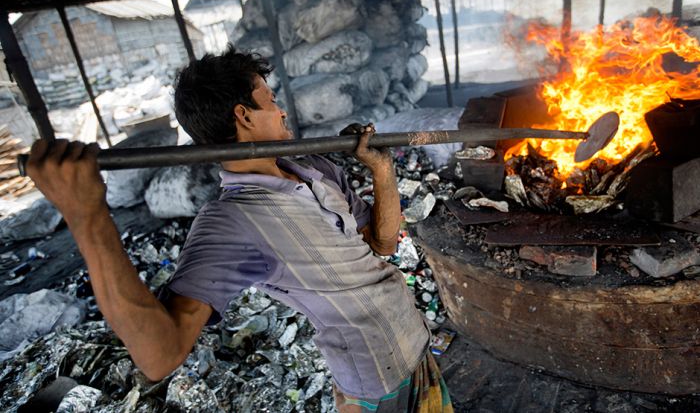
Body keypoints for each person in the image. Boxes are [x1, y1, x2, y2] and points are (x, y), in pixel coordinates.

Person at [26, 45, 453, 412]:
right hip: (376, 385)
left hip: (418, 347)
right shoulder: (232, 222)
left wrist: (381, 171)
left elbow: (381, 244)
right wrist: (87, 217)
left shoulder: (317, 167)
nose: (282, 109)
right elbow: (160, 356)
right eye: (270, 100)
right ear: (243, 116)